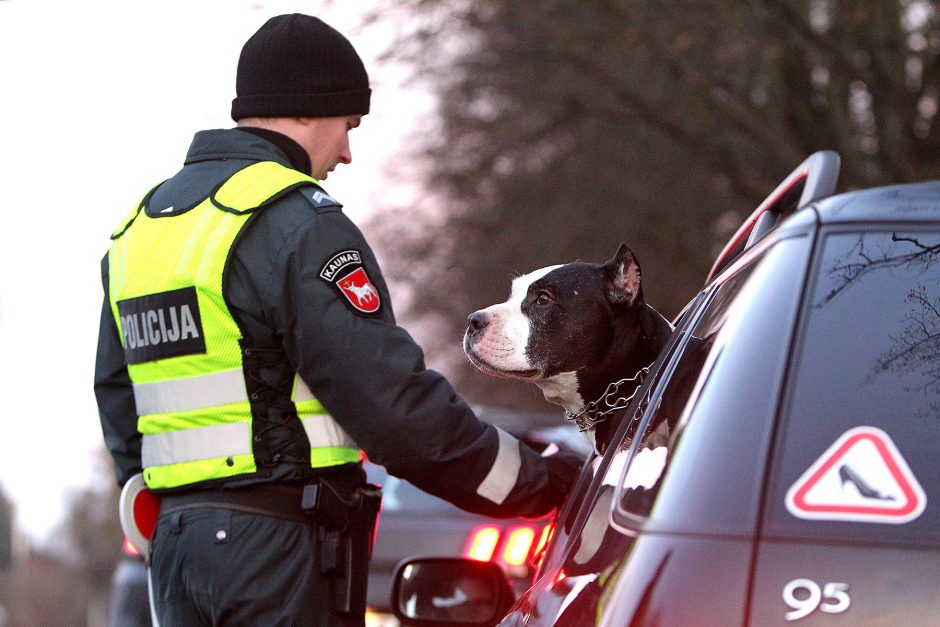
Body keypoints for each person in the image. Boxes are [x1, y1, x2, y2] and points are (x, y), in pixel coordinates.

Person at [94, 13, 581, 627]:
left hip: (176, 558)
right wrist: (544, 484)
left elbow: (120, 403)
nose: (347, 152)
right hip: (279, 553)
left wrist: (169, 519)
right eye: (348, 125)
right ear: (305, 110)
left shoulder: (138, 232)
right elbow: (395, 410)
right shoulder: (296, 224)